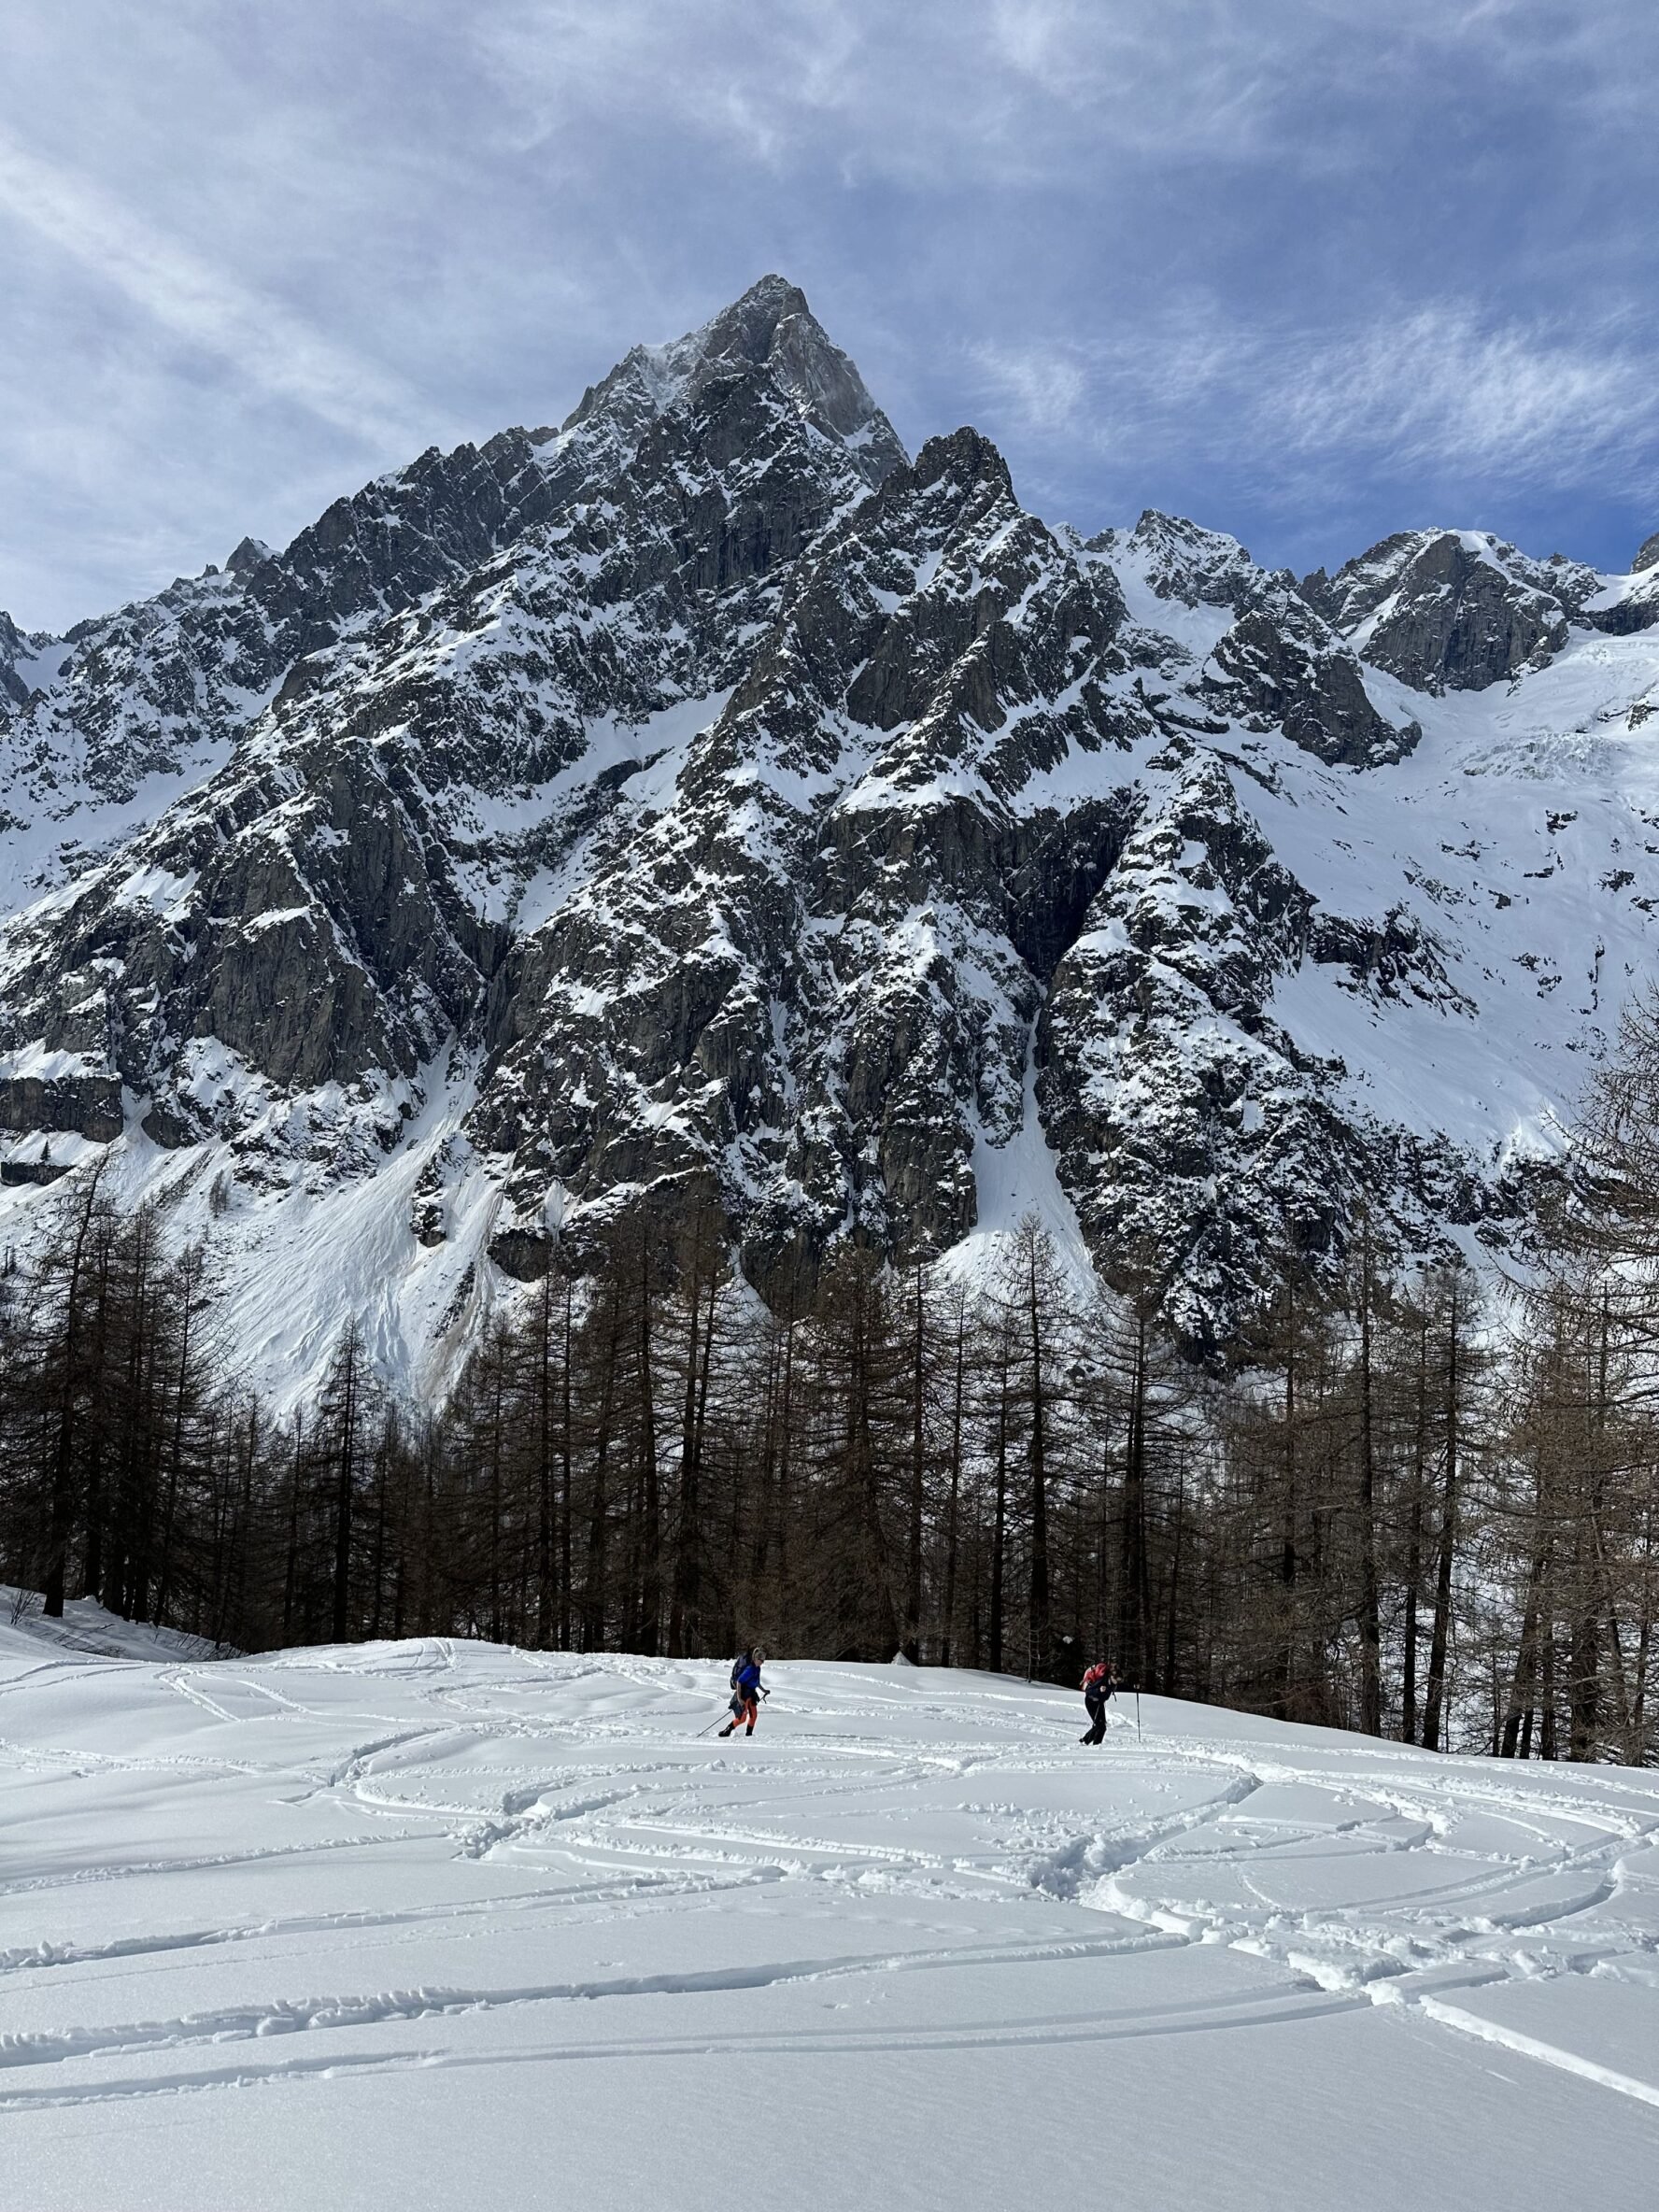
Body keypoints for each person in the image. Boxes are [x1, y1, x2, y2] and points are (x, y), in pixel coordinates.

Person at [718, 1645, 768, 1737]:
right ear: (756, 1659)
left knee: (754, 1716)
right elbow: (739, 1682)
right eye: (761, 1660)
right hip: (744, 1695)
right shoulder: (750, 1669)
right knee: (742, 1719)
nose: (763, 1662)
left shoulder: (757, 1669)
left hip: (752, 1695)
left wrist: (764, 1690)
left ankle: (749, 1735)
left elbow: (756, 1682)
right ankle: (727, 1730)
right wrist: (739, 1698)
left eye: (763, 1660)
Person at [1080, 1658, 1115, 1744]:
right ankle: (1093, 1744)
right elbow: (1088, 1692)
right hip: (1091, 1702)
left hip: (1099, 1702)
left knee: (1101, 1726)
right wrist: (1099, 1691)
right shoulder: (1100, 1680)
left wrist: (1108, 1689)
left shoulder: (1108, 1682)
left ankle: (1086, 1741)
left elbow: (1106, 1697)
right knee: (1100, 1726)